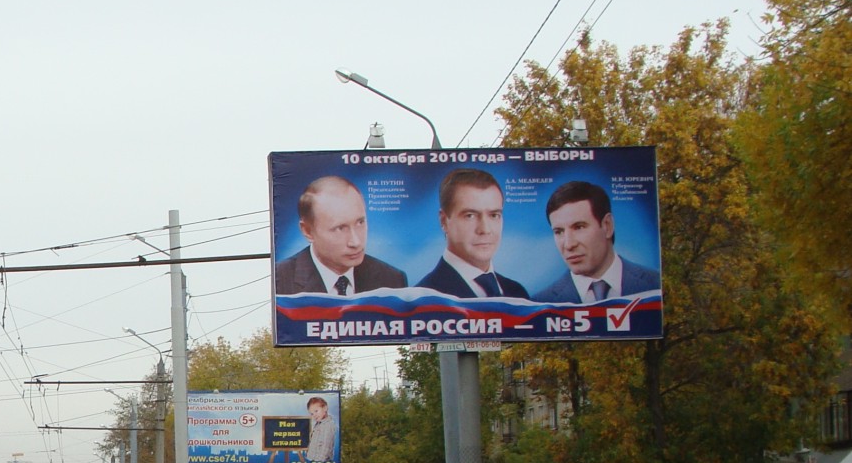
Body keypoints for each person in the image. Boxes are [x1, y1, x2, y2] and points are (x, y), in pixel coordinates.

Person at [273, 175, 408, 295]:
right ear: (307, 231)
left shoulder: (392, 280)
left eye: (360, 222)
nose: (356, 242)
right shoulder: (281, 280)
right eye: (340, 228)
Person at [534, 180, 661, 303]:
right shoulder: (541, 304)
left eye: (579, 227)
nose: (569, 245)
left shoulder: (654, 285)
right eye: (559, 231)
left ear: (607, 226)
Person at [417, 168, 529, 298]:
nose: (485, 230)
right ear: (444, 221)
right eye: (470, 215)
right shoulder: (424, 300)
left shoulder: (517, 292)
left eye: (494, 215)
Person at [303, 396, 337, 463]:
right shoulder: (318, 424)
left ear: (325, 408)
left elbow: (326, 448)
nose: (314, 415)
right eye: (312, 414)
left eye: (316, 411)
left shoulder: (328, 425)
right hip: (312, 461)